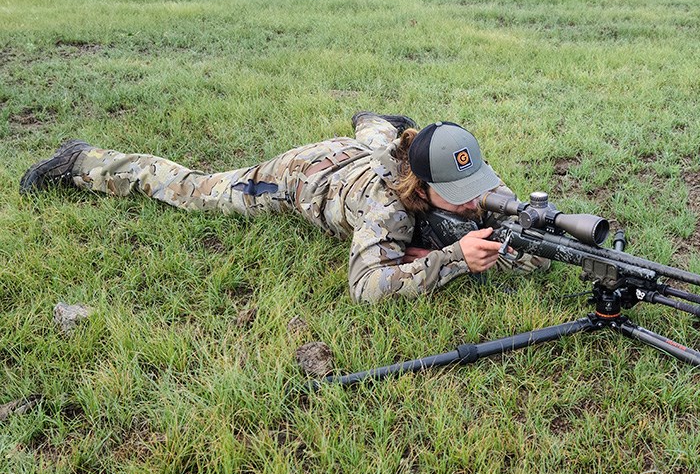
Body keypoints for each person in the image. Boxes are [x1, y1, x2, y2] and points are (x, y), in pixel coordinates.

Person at [20, 113, 548, 302]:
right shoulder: (386, 209)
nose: (474, 201)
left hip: (372, 149)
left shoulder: (463, 173)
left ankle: (377, 122)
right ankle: (84, 162)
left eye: (473, 187)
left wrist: (529, 234)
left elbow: (523, 241)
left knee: (377, 137)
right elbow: (367, 287)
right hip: (302, 178)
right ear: (422, 184)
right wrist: (453, 257)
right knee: (198, 191)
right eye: (457, 196)